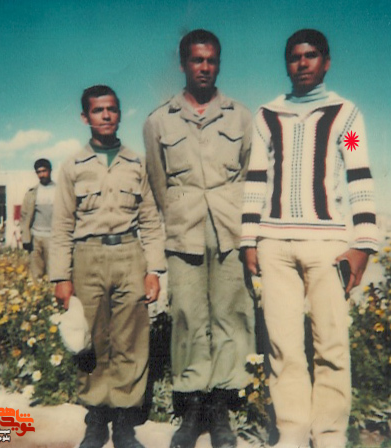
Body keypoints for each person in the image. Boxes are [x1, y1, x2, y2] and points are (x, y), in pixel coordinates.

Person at [241, 29, 379, 448]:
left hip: (328, 248)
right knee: (283, 346)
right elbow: (256, 178)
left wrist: (363, 245)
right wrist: (249, 240)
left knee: (331, 344)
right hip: (275, 246)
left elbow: (358, 175)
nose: (302, 63)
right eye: (294, 57)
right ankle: (293, 431)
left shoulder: (345, 116)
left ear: (326, 62)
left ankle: (330, 433)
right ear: (286, 64)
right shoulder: (267, 116)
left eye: (311, 55)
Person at [144, 29, 255, 448]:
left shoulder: (241, 117)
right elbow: (158, 183)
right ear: (183, 64)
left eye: (211, 60)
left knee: (231, 316)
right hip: (184, 231)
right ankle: (191, 407)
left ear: (218, 64)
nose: (204, 67)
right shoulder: (158, 121)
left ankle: (221, 408)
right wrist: (178, 213)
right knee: (188, 317)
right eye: (196, 60)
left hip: (230, 228)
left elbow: (250, 176)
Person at [50, 85, 166, 448]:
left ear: (119, 114)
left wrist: (153, 269)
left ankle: (125, 424)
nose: (105, 115)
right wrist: (60, 276)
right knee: (92, 340)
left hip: (129, 254)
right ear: (85, 117)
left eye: (111, 109)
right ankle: (97, 420)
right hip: (87, 258)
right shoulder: (72, 166)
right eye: (98, 110)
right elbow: (61, 226)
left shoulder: (136, 164)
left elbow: (150, 220)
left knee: (131, 340)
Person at [20, 158, 56, 280]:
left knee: (54, 274)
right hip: (35, 239)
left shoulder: (59, 191)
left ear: (50, 170)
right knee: (36, 275)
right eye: (39, 172)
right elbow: (24, 216)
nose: (41, 175)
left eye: (44, 171)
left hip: (53, 238)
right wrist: (25, 238)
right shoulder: (32, 193)